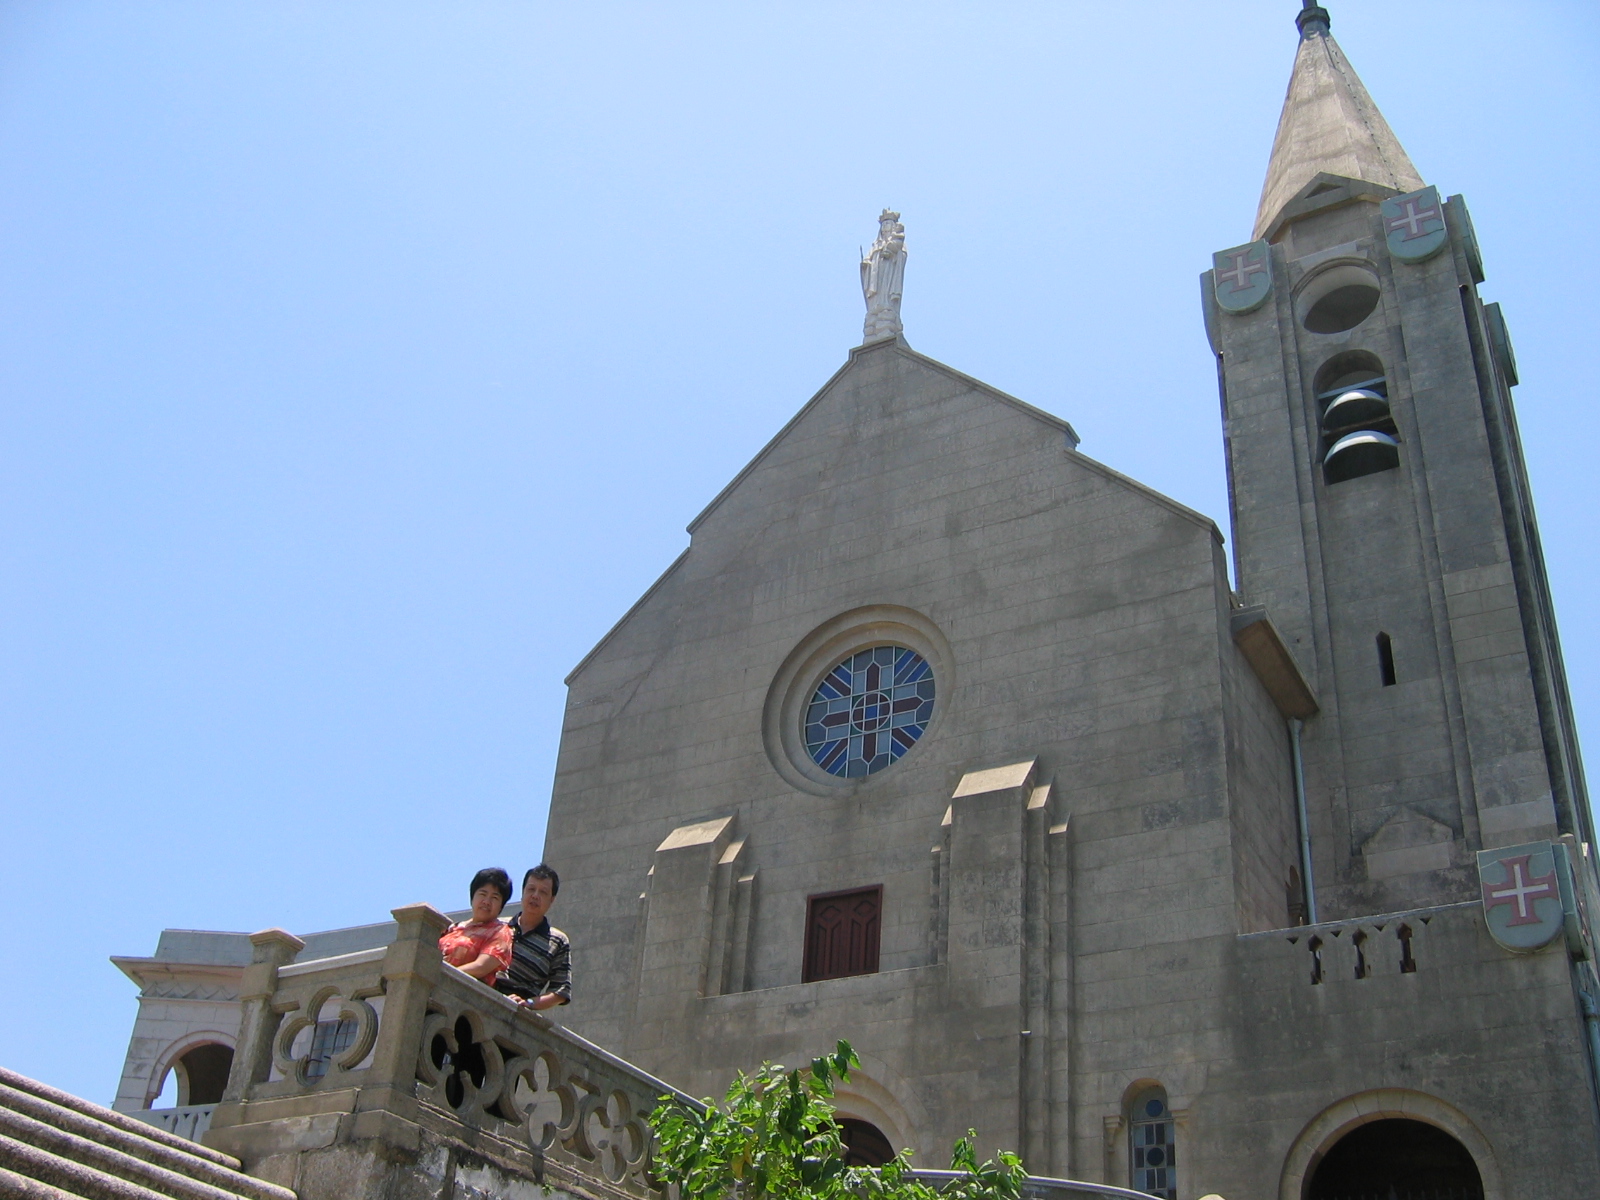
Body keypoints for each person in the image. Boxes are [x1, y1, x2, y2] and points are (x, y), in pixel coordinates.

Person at [495, 863, 572, 1010]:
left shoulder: (557, 941)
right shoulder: (498, 925)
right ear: (522, 892)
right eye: (531, 889)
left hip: (518, 1010)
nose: (535, 896)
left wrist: (529, 1003)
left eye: (543, 892)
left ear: (552, 899)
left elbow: (561, 991)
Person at [438, 867, 515, 986]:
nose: (486, 901)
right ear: (473, 896)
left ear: (501, 905)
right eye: (482, 894)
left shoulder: (501, 932)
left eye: (494, 897)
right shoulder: (452, 928)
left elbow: (481, 967)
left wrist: (441, 976)